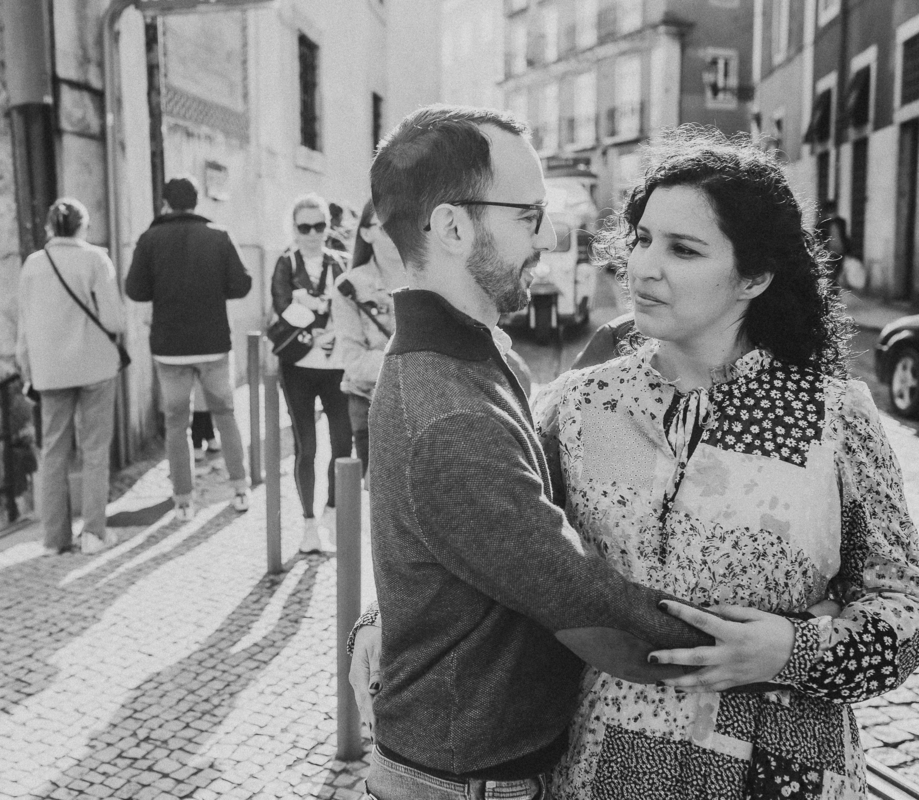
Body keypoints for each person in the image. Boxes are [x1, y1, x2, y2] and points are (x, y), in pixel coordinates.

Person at [353, 126, 919, 798]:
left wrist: (792, 651)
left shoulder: (834, 417)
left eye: (683, 249)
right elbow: (492, 536)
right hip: (604, 768)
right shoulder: (582, 404)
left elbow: (902, 611)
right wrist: (384, 616)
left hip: (779, 770)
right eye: (643, 239)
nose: (644, 267)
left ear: (756, 275)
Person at [349, 105, 718, 800]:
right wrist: (768, 650)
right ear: (453, 228)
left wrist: (382, 613)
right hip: (463, 783)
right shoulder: (452, 415)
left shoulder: (470, 357)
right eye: (529, 216)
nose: (548, 237)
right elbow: (583, 606)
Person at [125, 175, 253, 520]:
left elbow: (135, 290)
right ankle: (240, 489)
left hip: (170, 348)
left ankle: (183, 500)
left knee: (176, 424)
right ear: (196, 203)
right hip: (213, 344)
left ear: (165, 204)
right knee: (225, 415)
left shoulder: (150, 239)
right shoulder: (218, 235)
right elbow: (242, 284)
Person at [16, 198, 123, 556]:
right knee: (95, 450)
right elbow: (114, 320)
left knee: (53, 453)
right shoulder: (96, 260)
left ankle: (54, 539)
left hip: (50, 370)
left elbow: (24, 327)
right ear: (83, 227)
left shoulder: (33, 265)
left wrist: (27, 368)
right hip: (95, 365)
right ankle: (93, 534)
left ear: (49, 228)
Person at [272, 194, 353, 553]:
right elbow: (283, 308)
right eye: (304, 227)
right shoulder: (286, 262)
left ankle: (331, 513)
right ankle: (308, 524)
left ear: (327, 226)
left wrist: (309, 303)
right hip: (298, 367)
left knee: (342, 444)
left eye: (319, 226)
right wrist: (322, 311)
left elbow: (350, 309)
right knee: (307, 447)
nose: (312, 234)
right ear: (294, 228)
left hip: (337, 367)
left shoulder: (341, 261)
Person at [331, 200, 406, 473]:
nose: (397, 234)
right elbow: (354, 361)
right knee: (380, 493)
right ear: (366, 233)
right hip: (371, 404)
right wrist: (416, 363)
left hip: (427, 405)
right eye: (387, 228)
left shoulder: (430, 280)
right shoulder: (349, 286)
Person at [818, 198, 851, 288]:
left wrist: (848, 250)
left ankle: (834, 292)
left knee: (837, 273)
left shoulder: (841, 222)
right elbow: (819, 239)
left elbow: (844, 237)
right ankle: (832, 292)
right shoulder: (822, 224)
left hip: (840, 251)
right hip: (829, 252)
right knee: (831, 274)